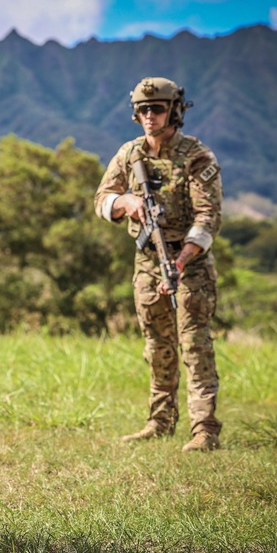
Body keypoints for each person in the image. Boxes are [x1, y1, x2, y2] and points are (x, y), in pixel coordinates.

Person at [94, 77, 223, 452]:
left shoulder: (196, 156)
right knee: (157, 345)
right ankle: (160, 421)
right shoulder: (129, 154)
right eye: (143, 109)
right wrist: (126, 204)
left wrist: (182, 261)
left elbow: (208, 217)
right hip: (148, 261)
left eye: (158, 108)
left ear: (175, 111)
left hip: (189, 263)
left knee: (194, 344)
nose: (150, 115)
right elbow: (102, 198)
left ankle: (205, 429)